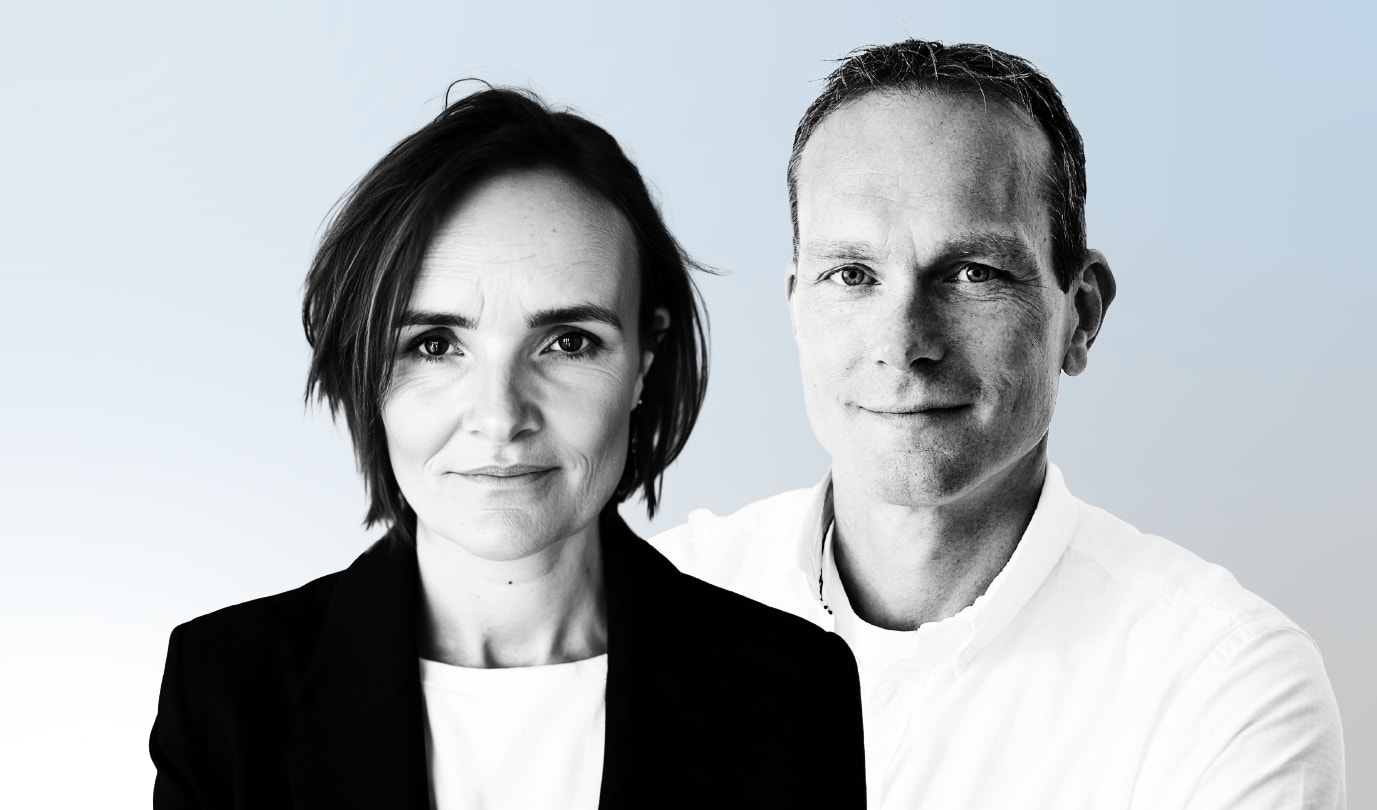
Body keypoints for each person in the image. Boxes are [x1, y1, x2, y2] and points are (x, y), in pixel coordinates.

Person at [651, 40, 1345, 809]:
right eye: (851, 275)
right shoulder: (642, 617)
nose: (903, 344)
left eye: (972, 273)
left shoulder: (1223, 687)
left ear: (1081, 316)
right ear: (796, 308)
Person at [149, 86, 866, 810]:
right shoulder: (225, 689)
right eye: (435, 345)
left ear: (645, 358)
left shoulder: (795, 692)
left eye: (568, 342)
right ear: (364, 368)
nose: (500, 417)